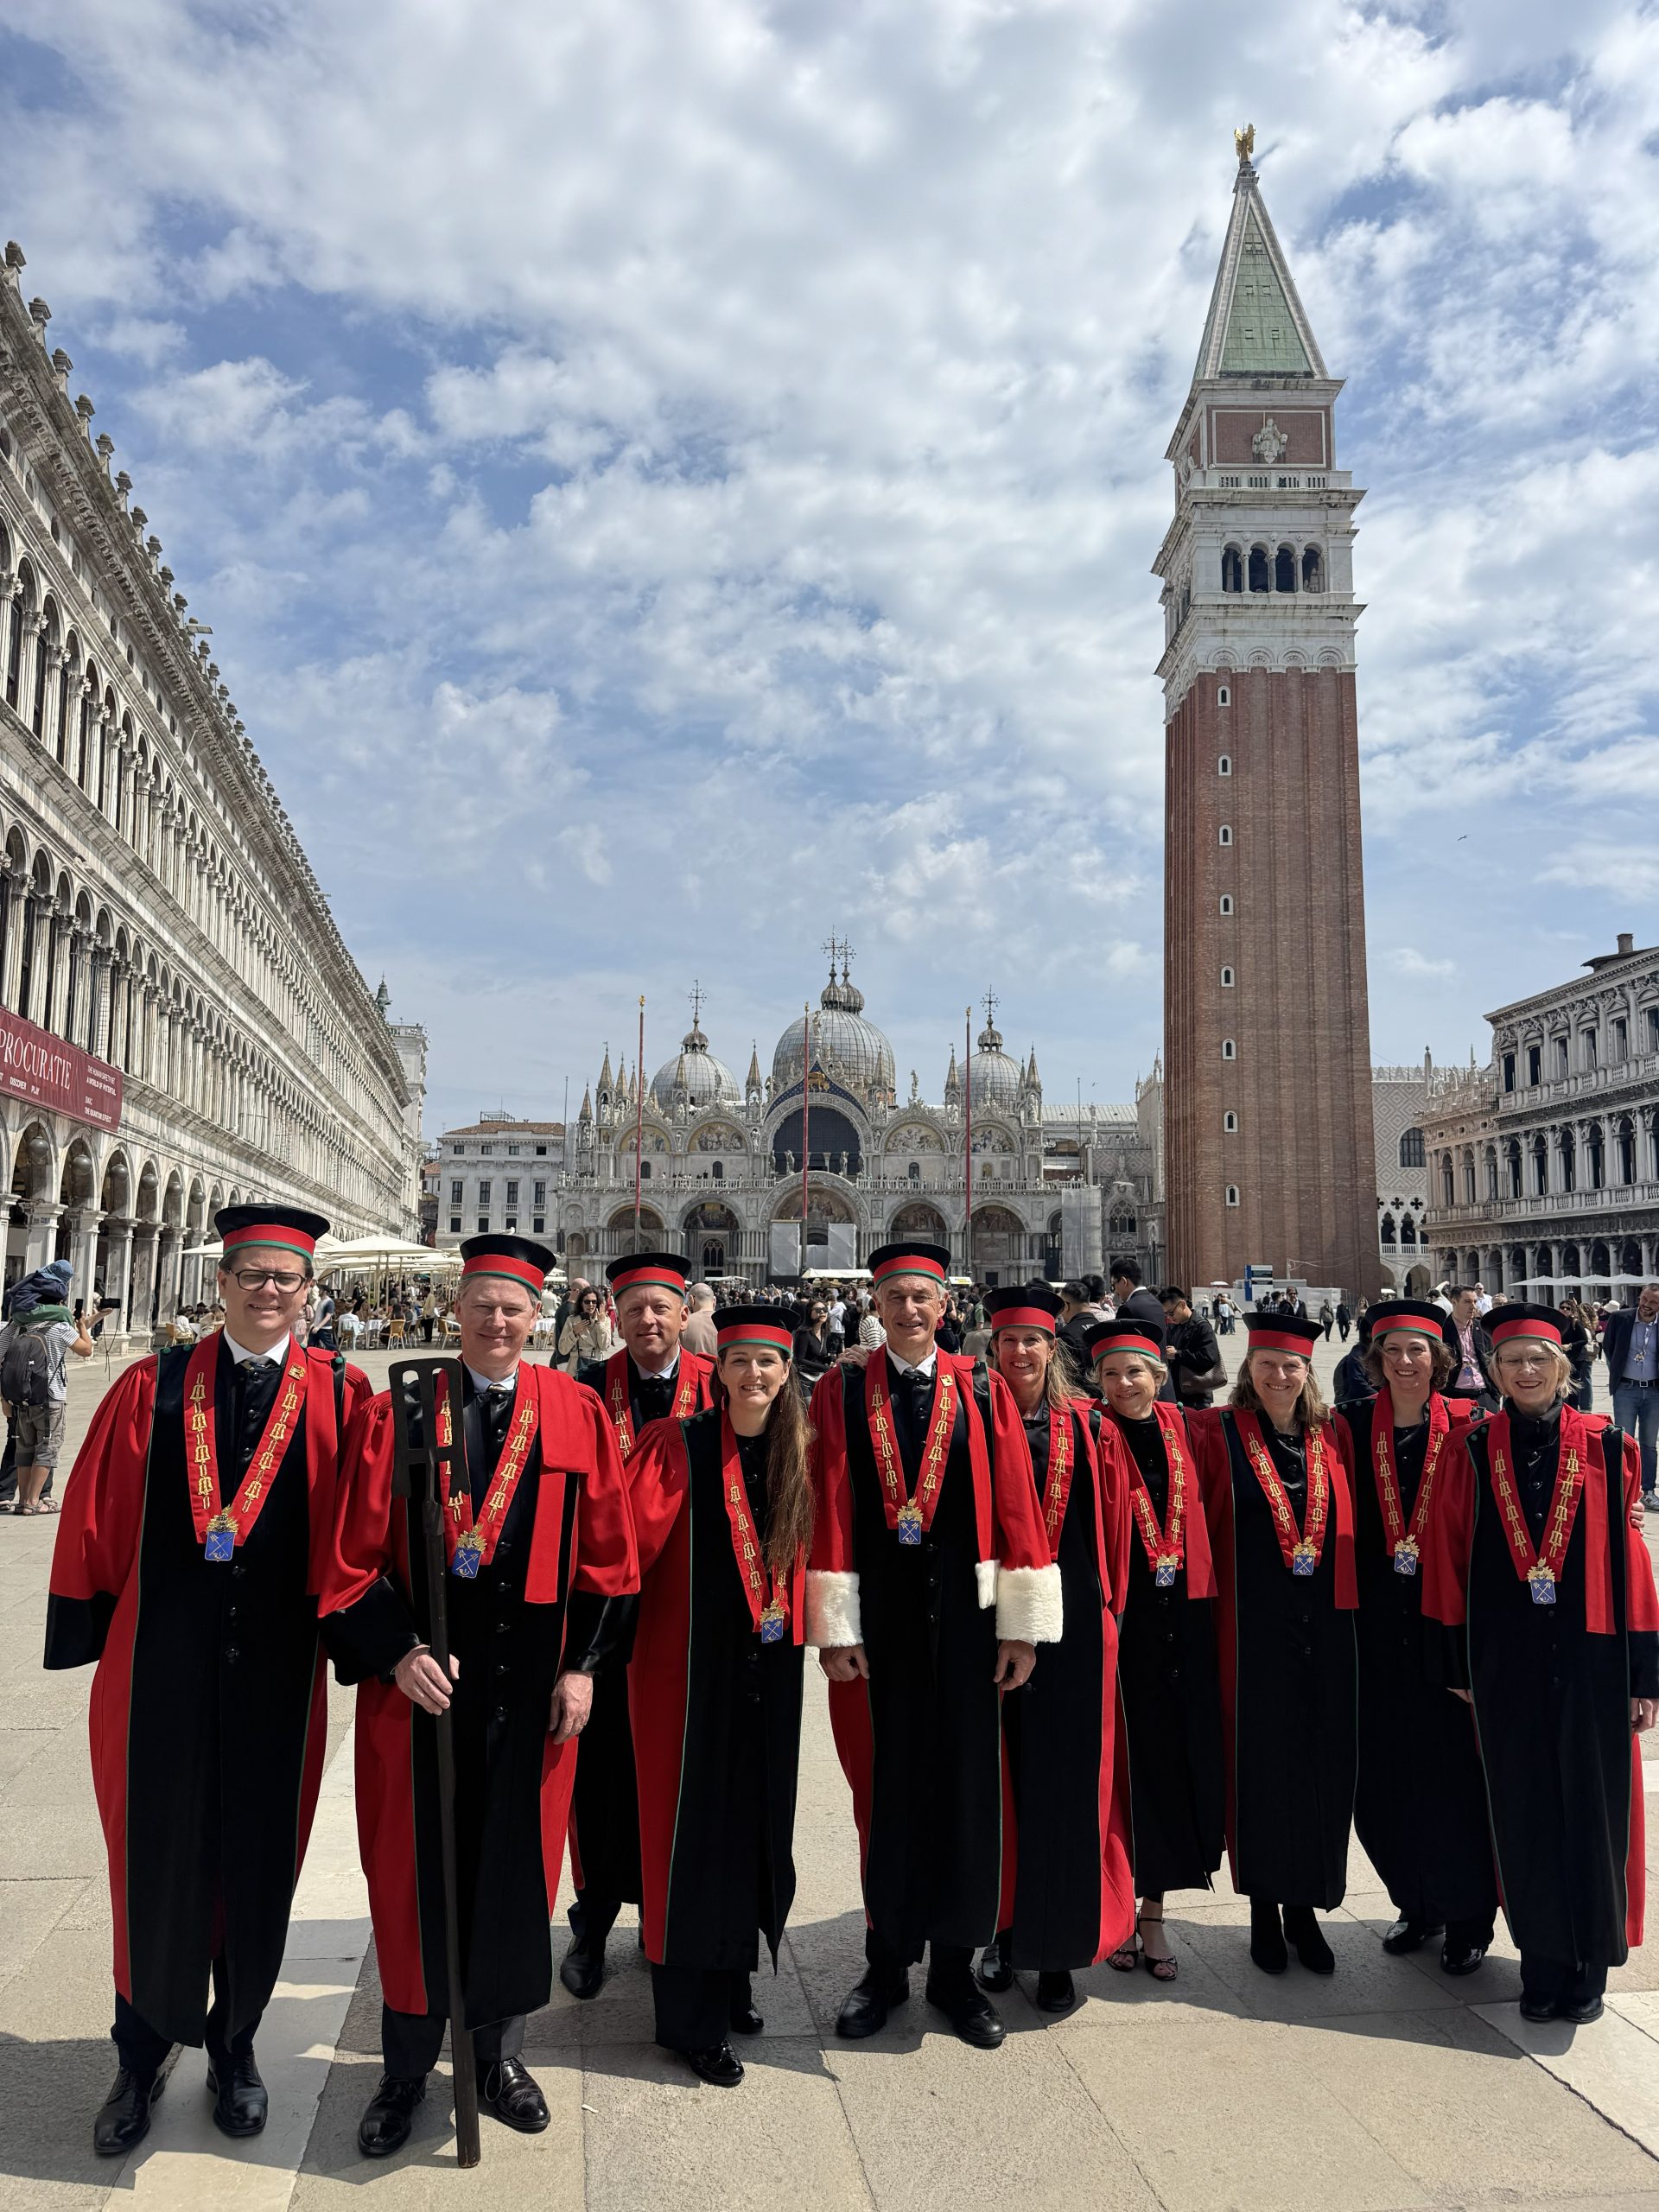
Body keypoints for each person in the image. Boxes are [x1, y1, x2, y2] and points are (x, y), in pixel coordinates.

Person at [44, 1206, 372, 2156]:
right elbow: (98, 1514)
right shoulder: (153, 1387)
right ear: (222, 1283)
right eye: (253, 1275)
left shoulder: (342, 1401)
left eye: (287, 1279)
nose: (270, 1292)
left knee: (257, 1865)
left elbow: (364, 1534)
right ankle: (138, 2055)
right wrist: (83, 1628)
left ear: (311, 1292)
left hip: (279, 1678)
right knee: (155, 1861)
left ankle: (236, 2048)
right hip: (161, 1674)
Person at [320, 1235, 638, 2154]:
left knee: (515, 1878)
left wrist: (583, 1666)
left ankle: (498, 2055)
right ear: (456, 1311)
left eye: (514, 1308)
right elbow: (348, 1561)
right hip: (421, 1697)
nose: (498, 1322)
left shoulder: (574, 1411)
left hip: (534, 1698)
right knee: (416, 1881)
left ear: (539, 1317)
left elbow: (611, 1562)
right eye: (482, 1305)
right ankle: (406, 2067)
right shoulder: (405, 1409)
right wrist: (397, 1651)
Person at [807, 1240, 1058, 2050]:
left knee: (964, 1792)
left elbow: (1018, 1499)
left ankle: (953, 1972)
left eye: (923, 1298)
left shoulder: (981, 1385)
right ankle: (885, 1968)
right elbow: (829, 1503)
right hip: (878, 1628)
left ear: (944, 1308)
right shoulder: (846, 1388)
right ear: (875, 1307)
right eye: (895, 1299)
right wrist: (834, 1626)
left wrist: (1022, 1623)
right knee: (887, 1792)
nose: (909, 1311)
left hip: (967, 1625)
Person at [1425, 1303, 1659, 2024]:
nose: (1525, 1372)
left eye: (1539, 1361)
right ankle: (1543, 1959)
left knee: (1591, 1810)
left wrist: (1645, 1676)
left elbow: (1633, 1563)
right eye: (1511, 1361)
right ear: (1491, 1372)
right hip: (1506, 1660)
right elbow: (1446, 1556)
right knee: (1522, 1809)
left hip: (1592, 1656)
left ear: (1563, 1371)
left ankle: (1589, 1959)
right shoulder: (1470, 1449)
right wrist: (1456, 1661)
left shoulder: (1608, 1444)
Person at [624, 1304, 813, 2086]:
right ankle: (690, 2020)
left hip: (770, 1665)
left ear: (786, 1370)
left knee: (755, 1822)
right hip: (689, 1668)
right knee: (693, 1834)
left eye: (768, 1362)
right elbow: (628, 1550)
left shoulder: (800, 1451)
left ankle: (733, 1977)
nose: (754, 1375)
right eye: (739, 1361)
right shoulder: (680, 1445)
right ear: (717, 1369)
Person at [974, 1286, 1134, 2015]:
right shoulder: (971, 1419)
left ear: (1051, 1350)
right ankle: (1004, 1934)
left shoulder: (1089, 1427)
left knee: (1068, 1788)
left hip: (1072, 1634)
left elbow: (1118, 1530)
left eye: (1032, 1342)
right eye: (1007, 1342)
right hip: (992, 1628)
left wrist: (1108, 1610)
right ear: (991, 1350)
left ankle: (1059, 1948)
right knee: (1002, 1784)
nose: (1020, 1354)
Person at [563, 1253, 715, 1999]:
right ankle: (592, 1920)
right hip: (603, 1617)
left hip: (693, 1613)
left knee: (686, 1770)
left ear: (684, 1313)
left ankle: (676, 1920)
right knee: (601, 1771)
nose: (648, 1321)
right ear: (612, 1318)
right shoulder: (586, 1391)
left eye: (661, 1308)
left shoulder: (721, 1391)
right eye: (633, 1310)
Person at [1190, 1311, 1358, 1977]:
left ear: (1307, 1373)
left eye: (1291, 1366)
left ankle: (1306, 1910)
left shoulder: (1334, 1434)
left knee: (1319, 1767)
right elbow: (1127, 1411)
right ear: (1248, 1372)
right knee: (1260, 1769)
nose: (1279, 1376)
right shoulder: (1217, 1432)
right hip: (1251, 1629)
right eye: (1267, 1365)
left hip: (1325, 1628)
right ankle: (1264, 1908)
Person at [1334, 1300, 1496, 1974]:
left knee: (1451, 1777)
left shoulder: (1472, 1427)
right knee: (1382, 1777)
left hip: (1442, 1629)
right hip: (1371, 1629)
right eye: (1393, 1351)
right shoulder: (1347, 1426)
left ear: (1441, 1360)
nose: (1405, 1363)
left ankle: (1466, 1918)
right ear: (1374, 1360)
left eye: (1418, 1351)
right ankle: (1416, 1901)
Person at [1088, 1315, 1225, 1982]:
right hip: (1123, 1620)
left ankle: (1152, 1915)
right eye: (1110, 1374)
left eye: (1135, 1372)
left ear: (1160, 1376)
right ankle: (1116, 1910)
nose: (1122, 1384)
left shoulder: (1193, 1429)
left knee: (1171, 1766)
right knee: (1123, 1769)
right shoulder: (1084, 1431)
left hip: (1185, 1618)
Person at [0, 1277, 93, 1514]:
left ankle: (23, 1501)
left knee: (24, 1447)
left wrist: (3, 1398)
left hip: (22, 1397)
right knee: (47, 1447)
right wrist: (81, 1324)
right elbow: (86, 1350)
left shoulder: (18, 1325)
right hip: (51, 1396)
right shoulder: (59, 1327)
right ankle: (34, 1501)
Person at [1605, 1283, 1659, 1503]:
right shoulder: (1621, 1318)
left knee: (1648, 1442)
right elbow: (1609, 1347)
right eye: (1644, 1299)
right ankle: (1625, 1487)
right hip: (1626, 1389)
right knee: (1624, 1439)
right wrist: (1618, 1375)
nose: (1646, 1305)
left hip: (1654, 1391)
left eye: (1653, 1302)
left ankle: (1647, 1490)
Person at [1160, 1287, 1224, 1411]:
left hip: (1196, 1395)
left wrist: (1178, 1355)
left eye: (1171, 1313)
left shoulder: (1201, 1326)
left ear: (1182, 1304)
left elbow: (1209, 1357)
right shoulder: (1174, 1326)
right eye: (1166, 1314)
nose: (1169, 1317)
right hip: (1177, 1392)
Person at [1444, 1286, 1496, 1411]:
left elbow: (1491, 1358)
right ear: (1454, 1302)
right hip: (1455, 1394)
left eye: (1475, 1302)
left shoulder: (1483, 1328)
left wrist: (1496, 1392)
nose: (1473, 1307)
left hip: (1484, 1393)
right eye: (1467, 1302)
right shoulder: (1443, 1329)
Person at [558, 1285, 614, 1372]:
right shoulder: (572, 1320)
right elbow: (563, 1349)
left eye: (594, 1302)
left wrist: (600, 1324)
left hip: (597, 1365)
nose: (591, 1305)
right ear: (581, 1303)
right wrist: (574, 1333)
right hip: (576, 1366)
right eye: (587, 1302)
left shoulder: (605, 1320)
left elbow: (604, 1347)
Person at [791, 1298, 843, 1389]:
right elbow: (799, 1359)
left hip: (818, 1378)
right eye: (818, 1310)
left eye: (825, 1309)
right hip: (803, 1379)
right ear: (810, 1313)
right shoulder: (803, 1332)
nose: (822, 1312)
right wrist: (824, 1368)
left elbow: (816, 1358)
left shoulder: (824, 1332)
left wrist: (830, 1358)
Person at [681, 1281, 720, 1358]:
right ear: (714, 1301)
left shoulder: (683, 1323)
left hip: (692, 1369)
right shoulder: (727, 1322)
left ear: (691, 1300)